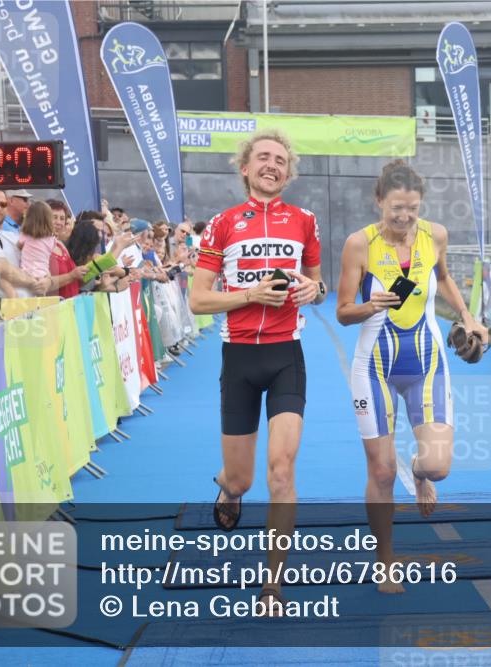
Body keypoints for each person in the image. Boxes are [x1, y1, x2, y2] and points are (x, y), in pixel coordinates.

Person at [189, 129, 326, 613]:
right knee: (245, 479)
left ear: (289, 172)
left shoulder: (305, 221)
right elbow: (198, 298)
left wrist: (315, 290)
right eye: (263, 158)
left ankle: (272, 583)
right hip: (240, 359)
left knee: (282, 471)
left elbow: (316, 281)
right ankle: (228, 485)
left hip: (287, 354)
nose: (272, 165)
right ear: (244, 167)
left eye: (281, 160)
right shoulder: (223, 224)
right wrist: (249, 295)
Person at [336, 159, 488, 593]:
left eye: (413, 209)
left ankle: (419, 474)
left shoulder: (435, 235)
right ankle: (385, 563)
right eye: (395, 209)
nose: (404, 217)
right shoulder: (358, 245)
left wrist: (468, 316)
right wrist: (372, 305)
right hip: (374, 368)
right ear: (379, 201)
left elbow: (443, 277)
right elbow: (343, 313)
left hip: (426, 363)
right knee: (382, 473)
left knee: (439, 467)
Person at [18, 201, 57, 282]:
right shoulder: (52, 239)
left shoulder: (25, 235)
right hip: (43, 275)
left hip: (26, 275)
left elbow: (18, 246)